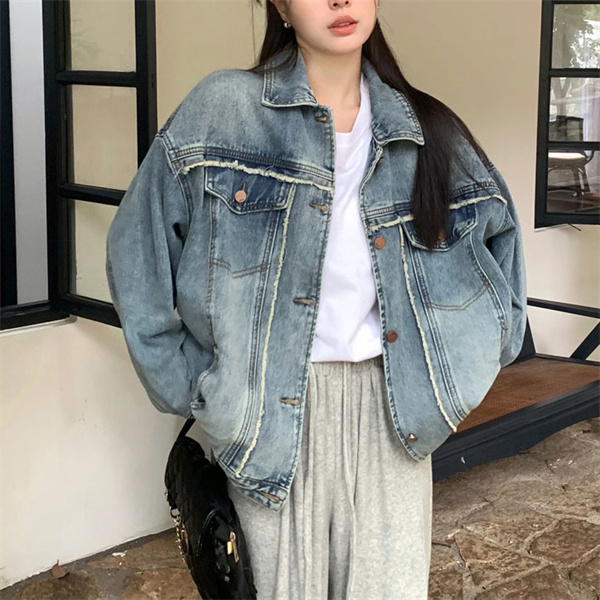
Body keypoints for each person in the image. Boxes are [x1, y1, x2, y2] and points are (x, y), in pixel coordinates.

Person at [105, 0, 528, 598]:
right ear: (279, 4)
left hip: (394, 422)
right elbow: (136, 253)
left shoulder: (429, 130)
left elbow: (501, 256)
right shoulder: (221, 113)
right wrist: (198, 390)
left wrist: (460, 370)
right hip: (266, 418)